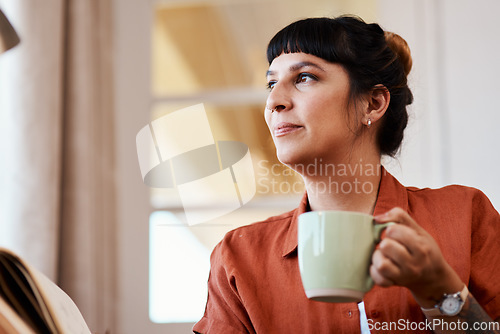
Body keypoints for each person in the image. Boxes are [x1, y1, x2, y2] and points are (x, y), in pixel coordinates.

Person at [193, 16, 500, 333]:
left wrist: (440, 291)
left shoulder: (466, 217)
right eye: (271, 83)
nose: (274, 101)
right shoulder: (237, 258)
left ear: (373, 102)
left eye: (305, 77)